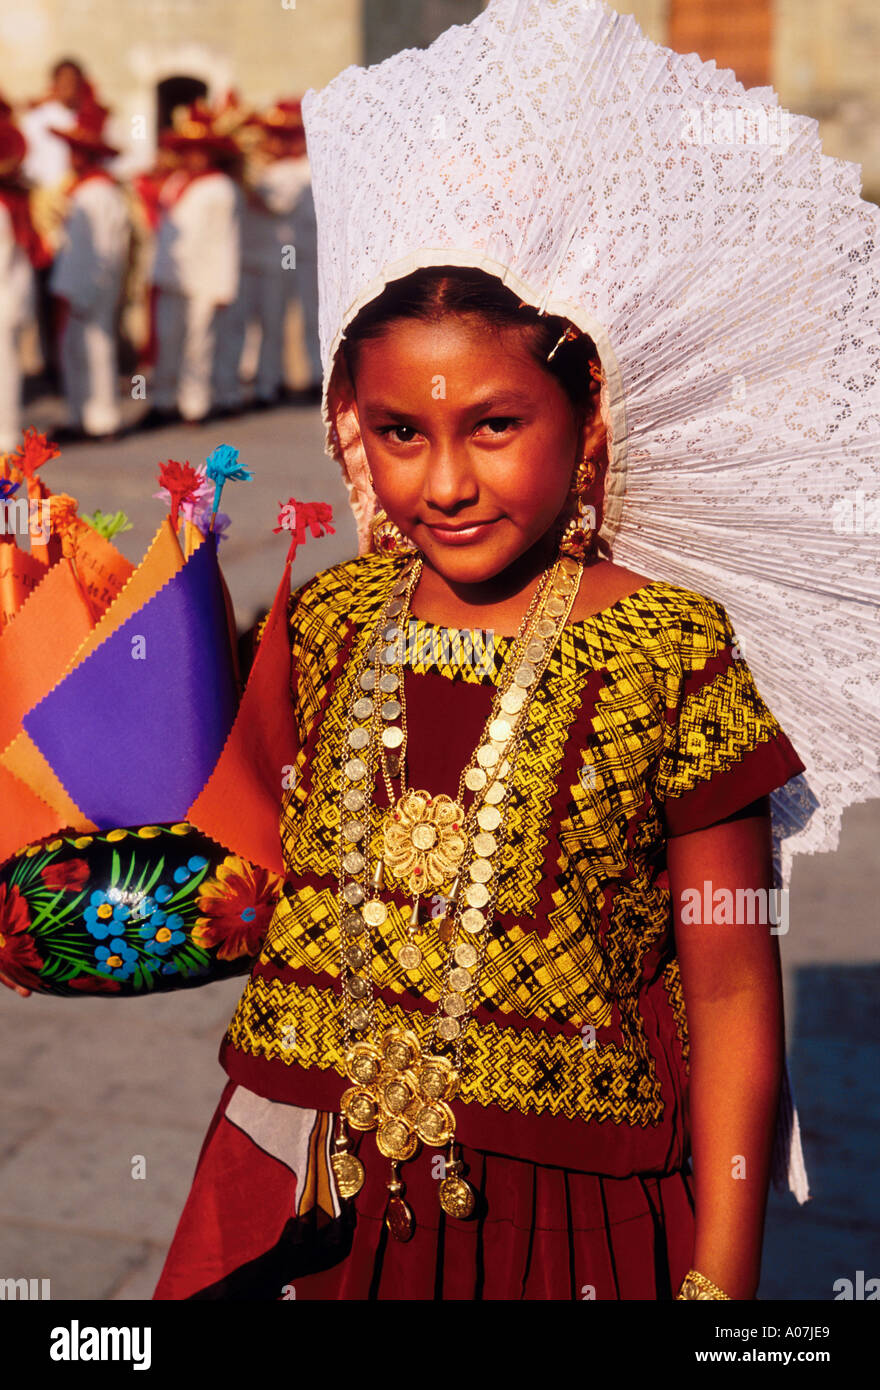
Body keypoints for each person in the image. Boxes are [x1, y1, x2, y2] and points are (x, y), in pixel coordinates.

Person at [150, 259, 806, 1301]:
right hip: (311, 1171)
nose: (444, 483)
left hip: (563, 1215)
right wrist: (75, 909)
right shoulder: (330, 619)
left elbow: (726, 980)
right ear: (349, 426)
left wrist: (721, 1276)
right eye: (399, 432)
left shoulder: (669, 649)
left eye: (494, 426)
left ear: (585, 416)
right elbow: (258, 876)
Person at [212, 99, 315, 413]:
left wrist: (244, 178)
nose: (272, 143)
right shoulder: (253, 168)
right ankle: (227, 391)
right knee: (235, 326)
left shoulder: (299, 170)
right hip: (245, 257)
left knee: (273, 326)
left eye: (279, 137)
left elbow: (276, 205)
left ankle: (267, 387)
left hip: (276, 259)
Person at [145, 105, 241, 427]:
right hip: (173, 275)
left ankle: (195, 404)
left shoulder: (222, 188)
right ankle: (163, 400)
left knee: (198, 343)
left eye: (201, 153)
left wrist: (224, 287)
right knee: (168, 338)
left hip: (204, 278)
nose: (194, 159)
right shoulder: (175, 181)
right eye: (189, 152)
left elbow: (227, 239)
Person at [48, 105, 129, 440]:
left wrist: (91, 287)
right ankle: (83, 414)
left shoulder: (97, 194)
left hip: (89, 286)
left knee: (94, 349)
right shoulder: (90, 191)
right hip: (83, 283)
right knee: (78, 349)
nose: (71, 157)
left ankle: (100, 418)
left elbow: (104, 249)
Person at [0, 117, 49, 450]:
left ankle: (4, 434)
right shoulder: (14, 201)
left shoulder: (6, 205)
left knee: (4, 366)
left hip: (5, 297)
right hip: (12, 296)